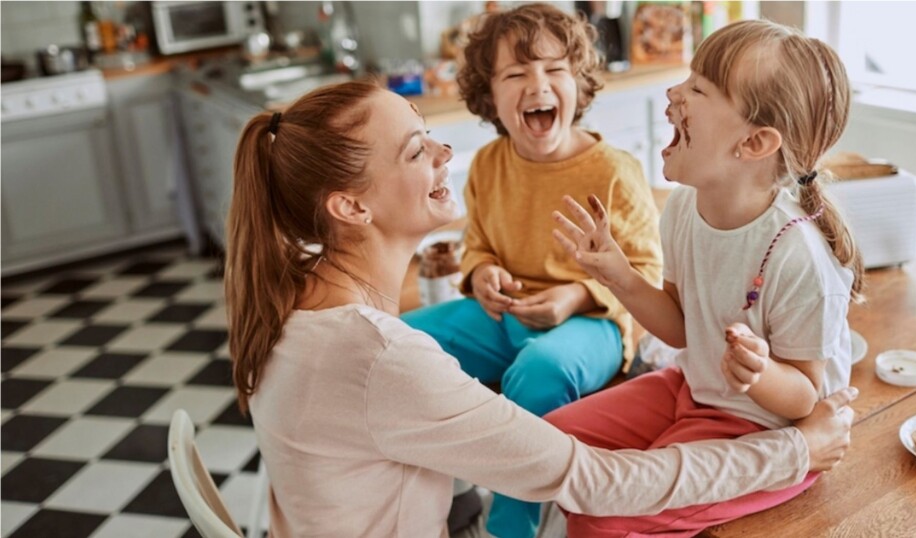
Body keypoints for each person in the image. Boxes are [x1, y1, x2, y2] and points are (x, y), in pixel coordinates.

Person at [225, 79, 857, 538]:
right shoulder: (381, 358)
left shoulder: (294, 294)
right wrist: (797, 449)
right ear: (351, 208)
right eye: (417, 151)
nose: (444, 153)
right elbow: (598, 484)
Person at [552, 19, 865, 537]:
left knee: (603, 515)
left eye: (698, 88)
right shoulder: (683, 208)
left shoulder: (798, 255)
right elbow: (680, 329)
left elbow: (807, 400)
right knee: (552, 446)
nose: (673, 93)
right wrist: (620, 276)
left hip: (764, 430)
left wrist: (759, 373)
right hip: (694, 387)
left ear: (754, 142)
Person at [400, 6, 662, 535]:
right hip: (502, 316)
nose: (536, 84)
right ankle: (446, 491)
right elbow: (477, 245)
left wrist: (572, 296)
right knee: (401, 343)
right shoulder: (490, 164)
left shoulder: (614, 170)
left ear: (580, 84)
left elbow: (646, 273)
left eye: (554, 69)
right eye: (516, 74)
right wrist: (480, 275)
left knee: (539, 372)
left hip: (592, 324)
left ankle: (511, 525)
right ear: (489, 96)